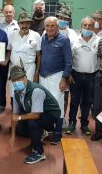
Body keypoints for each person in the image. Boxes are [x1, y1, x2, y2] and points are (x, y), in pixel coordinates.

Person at [9, 66, 60, 164]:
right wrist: (13, 135)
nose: (17, 82)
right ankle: (41, 133)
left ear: (25, 77)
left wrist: (20, 117)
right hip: (36, 112)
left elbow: (35, 115)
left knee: (32, 123)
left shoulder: (35, 90)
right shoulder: (16, 94)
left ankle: (39, 153)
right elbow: (14, 115)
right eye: (14, 80)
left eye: (19, 79)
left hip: (51, 114)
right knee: (20, 128)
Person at [39, 16, 72, 145]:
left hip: (57, 76)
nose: (49, 28)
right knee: (45, 104)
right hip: (43, 76)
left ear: (57, 27)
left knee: (58, 105)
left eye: (52, 26)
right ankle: (48, 129)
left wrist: (64, 78)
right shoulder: (43, 39)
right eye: (47, 26)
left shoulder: (64, 40)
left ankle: (58, 133)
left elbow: (69, 62)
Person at [66, 17, 100, 136]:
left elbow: (101, 58)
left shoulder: (99, 41)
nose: (87, 27)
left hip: (92, 76)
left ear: (93, 27)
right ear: (81, 26)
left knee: (87, 102)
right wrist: (69, 73)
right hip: (76, 75)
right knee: (74, 101)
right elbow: (69, 58)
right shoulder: (74, 40)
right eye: (85, 25)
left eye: (90, 25)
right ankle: (71, 122)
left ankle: (84, 124)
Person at [6, 12, 41, 104]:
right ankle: (15, 110)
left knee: (28, 92)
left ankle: (27, 112)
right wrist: (4, 61)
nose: (24, 25)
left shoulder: (36, 35)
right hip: (14, 68)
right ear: (18, 24)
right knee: (15, 92)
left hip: (29, 68)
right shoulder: (12, 35)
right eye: (22, 23)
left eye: (27, 23)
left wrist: (37, 72)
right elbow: (9, 51)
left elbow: (39, 55)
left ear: (30, 23)